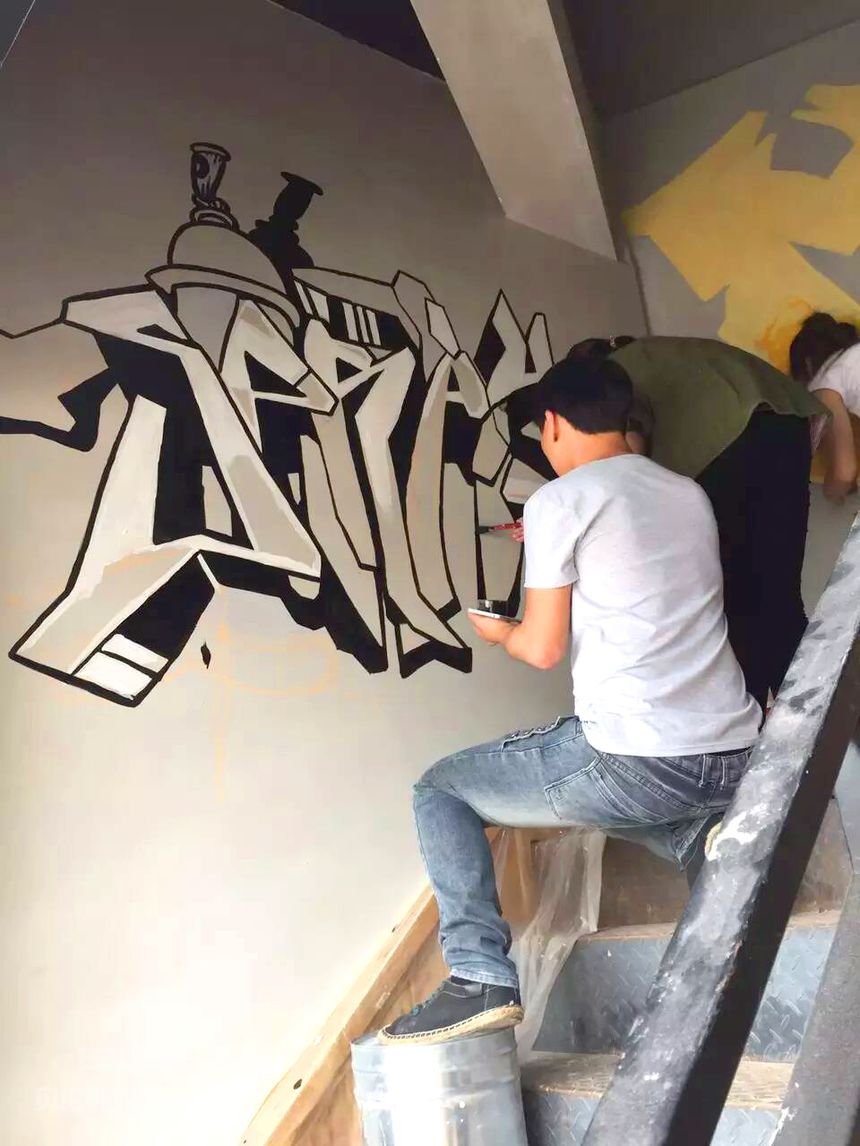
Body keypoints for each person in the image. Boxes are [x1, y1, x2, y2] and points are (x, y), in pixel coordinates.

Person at [379, 356, 760, 1045]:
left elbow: (542, 647)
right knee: (651, 801)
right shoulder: (685, 492)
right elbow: (638, 580)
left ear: (552, 424)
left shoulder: (559, 500)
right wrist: (553, 543)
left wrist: (499, 633)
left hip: (639, 758)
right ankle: (706, 853)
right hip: (733, 752)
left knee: (441, 791)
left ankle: (478, 977)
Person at [562, 336, 824, 713]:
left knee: (735, 602)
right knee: (778, 596)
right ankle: (828, 723)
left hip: (729, 445)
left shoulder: (608, 383)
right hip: (786, 423)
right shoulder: (658, 354)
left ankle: (750, 726)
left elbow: (627, 465)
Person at [789, 311, 860, 503]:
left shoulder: (825, 382)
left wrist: (832, 493)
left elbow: (844, 473)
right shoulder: (853, 359)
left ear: (807, 364)